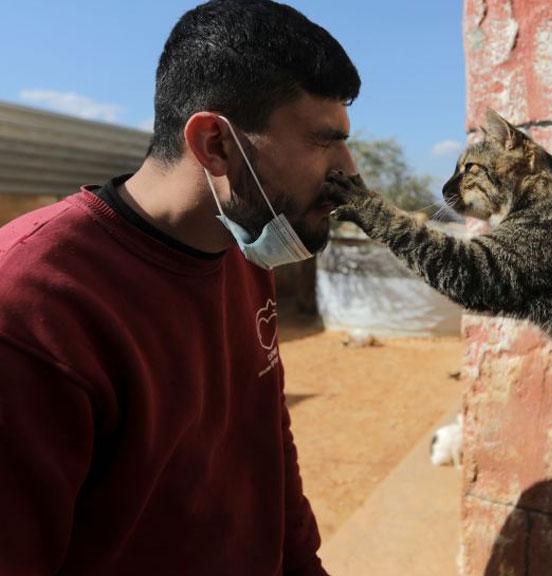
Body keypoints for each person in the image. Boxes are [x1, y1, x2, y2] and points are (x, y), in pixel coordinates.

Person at [0, 1, 361, 574]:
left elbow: (267, 437)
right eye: (323, 141)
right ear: (215, 144)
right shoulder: (30, 307)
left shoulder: (245, 248)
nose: (350, 172)